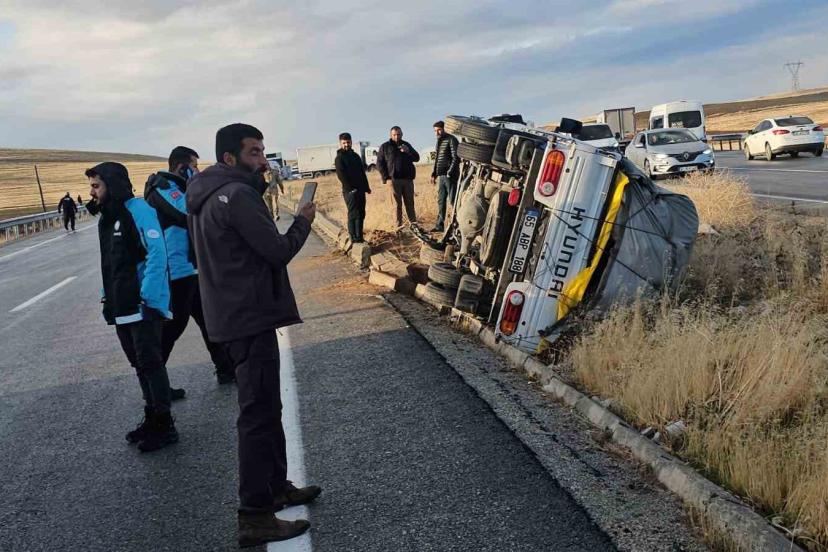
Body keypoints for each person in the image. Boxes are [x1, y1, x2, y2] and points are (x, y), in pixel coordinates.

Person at [187, 123, 321, 546]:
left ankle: (275, 487)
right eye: (254, 153)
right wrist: (302, 221)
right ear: (230, 158)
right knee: (258, 418)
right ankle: (254, 515)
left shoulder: (208, 195)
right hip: (249, 317)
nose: (263, 160)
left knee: (265, 409)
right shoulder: (239, 196)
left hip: (233, 315)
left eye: (263, 151)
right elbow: (278, 251)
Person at [85, 162, 178, 452]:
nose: (92, 191)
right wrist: (106, 296)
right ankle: (151, 416)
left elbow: (157, 254)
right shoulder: (107, 217)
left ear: (112, 184)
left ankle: (166, 425)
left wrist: (149, 297)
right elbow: (110, 263)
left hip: (143, 304)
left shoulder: (139, 210)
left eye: (96, 185)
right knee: (138, 363)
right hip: (121, 304)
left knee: (151, 362)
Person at [144, 146, 235, 386]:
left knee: (209, 320)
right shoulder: (163, 186)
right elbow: (189, 211)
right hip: (177, 269)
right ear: (181, 166)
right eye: (194, 166)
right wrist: (200, 185)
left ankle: (226, 369)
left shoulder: (180, 186)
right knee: (174, 326)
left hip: (191, 266)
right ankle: (154, 384)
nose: (197, 171)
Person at [376, 126, 419, 230]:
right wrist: (386, 178)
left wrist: (408, 151)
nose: (396, 136)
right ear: (391, 135)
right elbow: (379, 163)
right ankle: (398, 228)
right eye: (394, 134)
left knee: (410, 204)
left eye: (398, 134)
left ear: (402, 134)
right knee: (396, 206)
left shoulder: (406, 145)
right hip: (394, 180)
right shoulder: (385, 147)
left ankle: (414, 226)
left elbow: (417, 158)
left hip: (407, 180)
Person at [334, 132, 371, 243]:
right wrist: (350, 189)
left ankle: (359, 236)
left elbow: (362, 173)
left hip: (360, 189)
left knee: (361, 213)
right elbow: (341, 176)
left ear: (351, 142)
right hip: (349, 191)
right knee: (353, 213)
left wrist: (366, 187)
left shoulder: (355, 156)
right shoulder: (339, 158)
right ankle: (353, 237)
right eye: (344, 143)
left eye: (348, 142)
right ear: (340, 143)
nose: (346, 145)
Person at [430, 121, 459, 232]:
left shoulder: (452, 139)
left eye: (439, 130)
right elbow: (437, 160)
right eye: (435, 131)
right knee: (441, 201)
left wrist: (449, 172)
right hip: (441, 176)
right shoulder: (439, 141)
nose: (437, 132)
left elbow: (456, 158)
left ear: (444, 128)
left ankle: (456, 225)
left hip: (450, 176)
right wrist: (434, 174)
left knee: (453, 201)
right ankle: (439, 226)